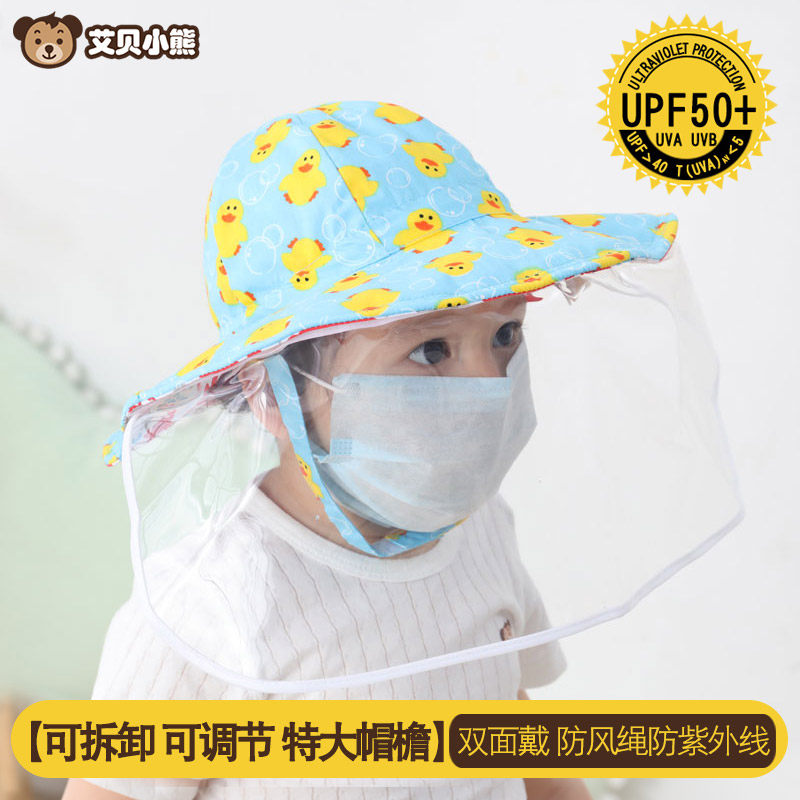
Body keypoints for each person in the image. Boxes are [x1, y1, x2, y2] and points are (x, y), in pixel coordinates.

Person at [63, 98, 680, 800]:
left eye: (504, 334)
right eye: (431, 349)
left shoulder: (481, 527)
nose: (488, 384)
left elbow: (512, 724)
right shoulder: (207, 603)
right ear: (273, 392)